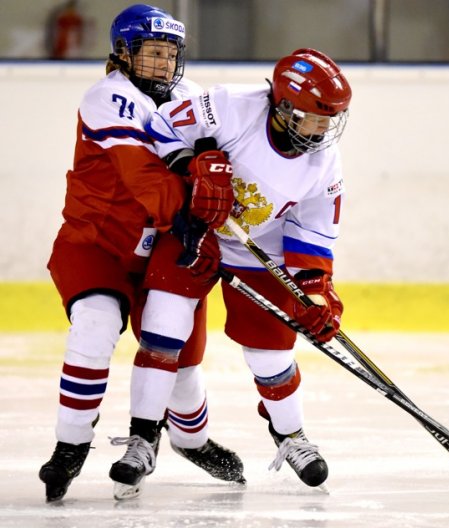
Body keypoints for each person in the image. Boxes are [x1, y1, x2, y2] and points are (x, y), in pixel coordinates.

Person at [38, 3, 243, 503]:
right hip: (97, 242)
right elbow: (144, 176)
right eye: (151, 52)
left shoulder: (193, 97)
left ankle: (189, 440)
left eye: (170, 53)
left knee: (180, 363)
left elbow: (224, 158)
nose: (162, 64)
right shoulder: (108, 96)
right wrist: (195, 210)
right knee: (94, 322)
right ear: (124, 55)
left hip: (168, 244)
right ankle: (70, 445)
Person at [142, 48, 352, 487]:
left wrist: (317, 296)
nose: (322, 129)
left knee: (271, 353)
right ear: (283, 105)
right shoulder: (229, 106)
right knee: (164, 328)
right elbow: (162, 128)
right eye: (313, 117)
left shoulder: (324, 162)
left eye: (328, 120)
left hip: (260, 252)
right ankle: (142, 436)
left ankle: (290, 433)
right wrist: (192, 166)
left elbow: (311, 236)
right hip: (194, 233)